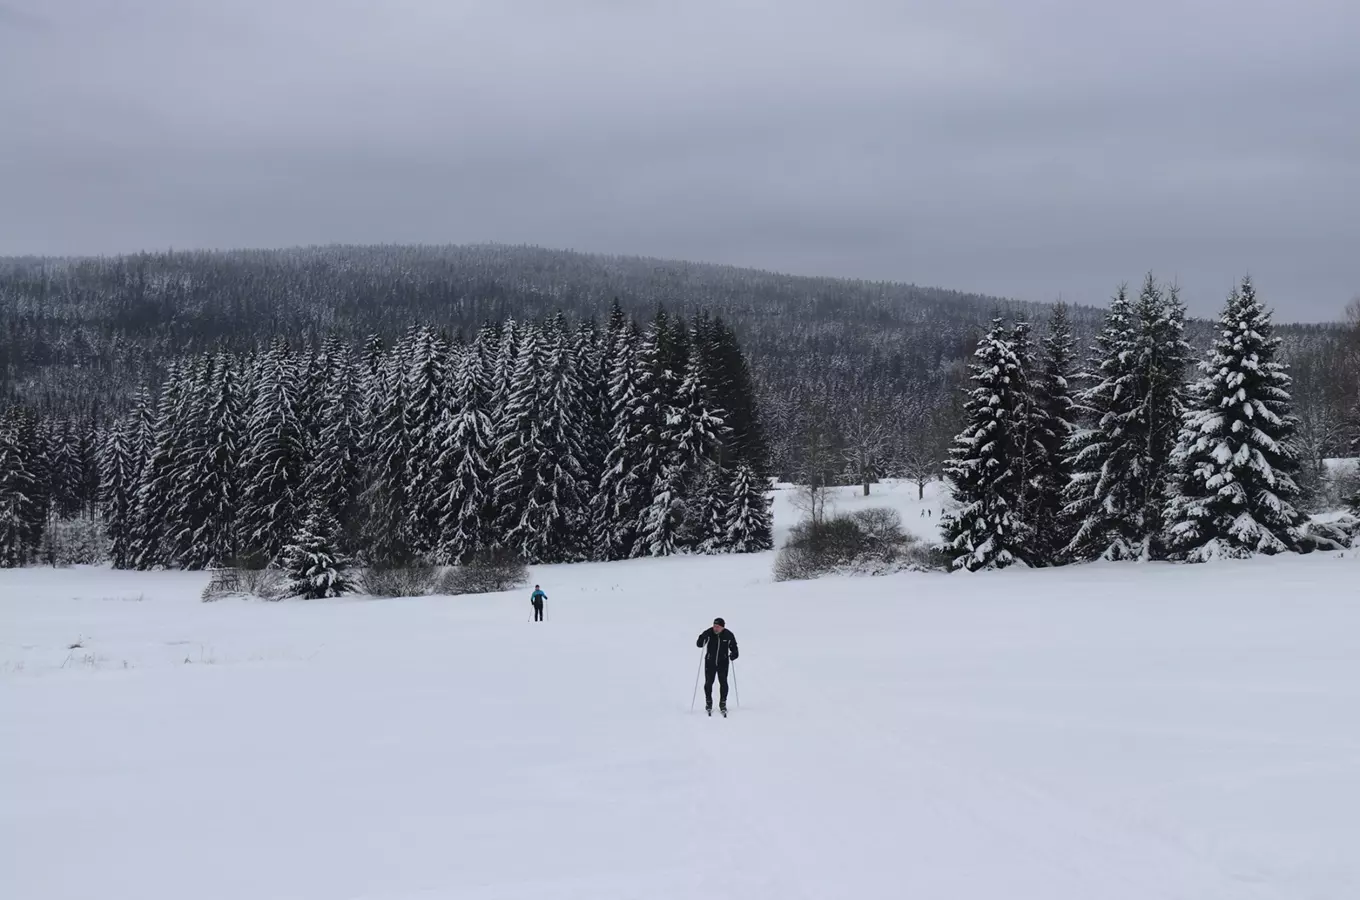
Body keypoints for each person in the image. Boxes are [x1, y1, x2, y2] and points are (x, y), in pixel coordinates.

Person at [696, 617, 739, 715]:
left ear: (722, 627)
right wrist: (702, 637)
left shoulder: (728, 635)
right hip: (710, 662)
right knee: (708, 683)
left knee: (723, 683)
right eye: (714, 626)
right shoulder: (709, 633)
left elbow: (735, 649)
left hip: (723, 662)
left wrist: (733, 654)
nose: (715, 628)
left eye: (717, 627)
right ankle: (708, 702)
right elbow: (699, 644)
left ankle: (723, 703)